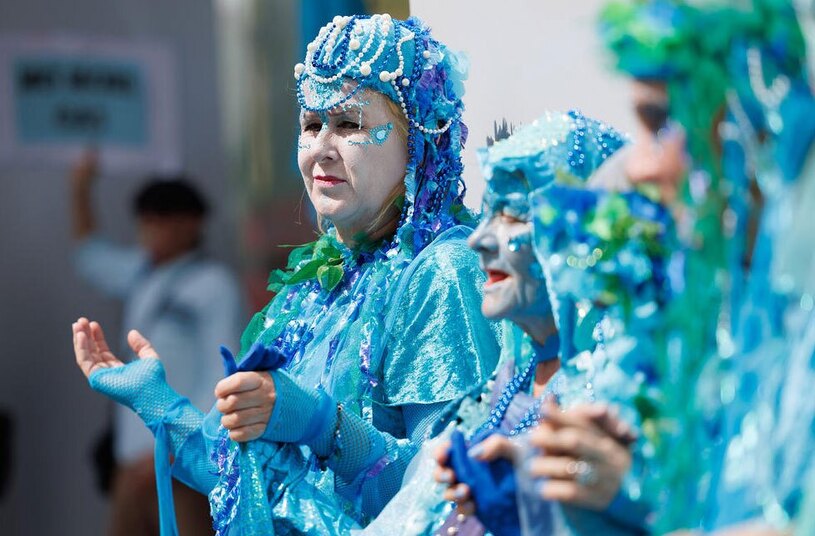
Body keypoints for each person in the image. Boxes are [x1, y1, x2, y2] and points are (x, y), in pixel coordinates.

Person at [73, 14, 499, 535]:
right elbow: (246, 484)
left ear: (417, 142)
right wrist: (158, 405)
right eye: (311, 125)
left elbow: (452, 491)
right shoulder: (313, 291)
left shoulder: (441, 272)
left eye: (349, 124)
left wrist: (325, 426)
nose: (321, 148)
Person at [362, 111, 652, 535]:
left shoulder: (623, 392)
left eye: (513, 216)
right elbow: (413, 500)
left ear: (584, 237)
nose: (479, 240)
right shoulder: (509, 383)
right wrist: (321, 427)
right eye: (487, 216)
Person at [70, 152, 244, 536]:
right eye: (144, 220)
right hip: (130, 463)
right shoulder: (142, 273)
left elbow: (221, 373)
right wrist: (80, 188)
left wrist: (186, 443)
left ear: (191, 223)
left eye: (160, 219)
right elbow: (89, 257)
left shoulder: (214, 285)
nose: (149, 230)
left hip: (179, 461)